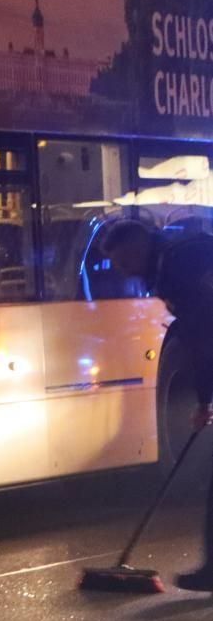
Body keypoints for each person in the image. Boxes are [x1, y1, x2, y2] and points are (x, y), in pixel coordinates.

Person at [102, 219, 213, 590]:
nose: (121, 271)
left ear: (136, 246)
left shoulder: (179, 265)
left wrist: (204, 398)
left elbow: (203, 333)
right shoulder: (174, 258)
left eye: (121, 261)